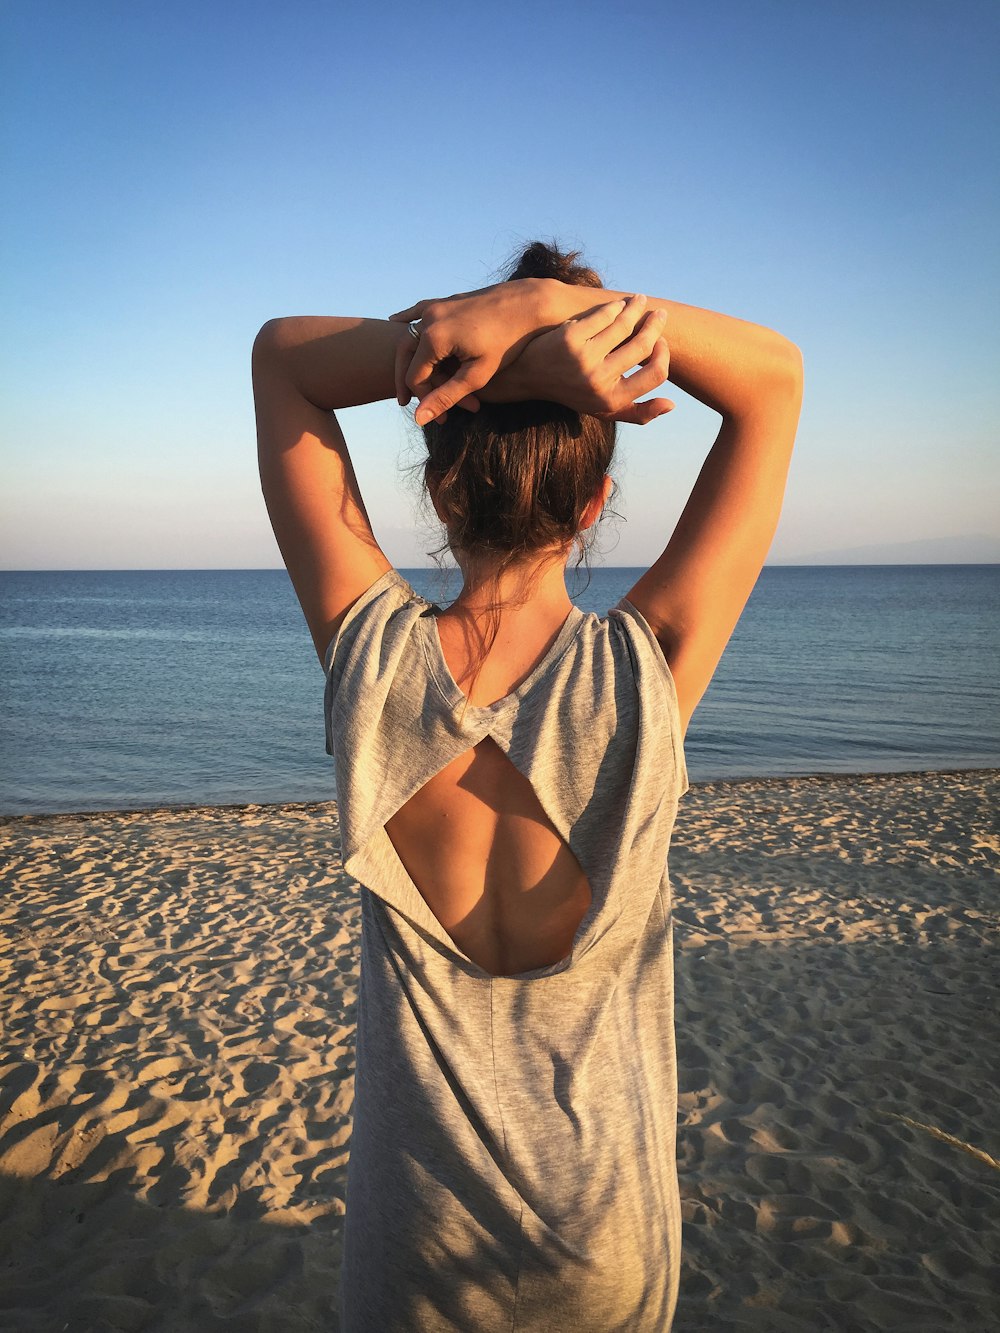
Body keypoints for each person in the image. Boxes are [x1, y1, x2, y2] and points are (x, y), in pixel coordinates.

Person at [252, 241, 803, 1331]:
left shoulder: (374, 667)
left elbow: (282, 362)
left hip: (415, 1242)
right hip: (603, 1239)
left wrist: (482, 338)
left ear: (436, 482)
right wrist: (546, 314)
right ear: (597, 500)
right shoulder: (643, 677)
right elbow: (773, 381)